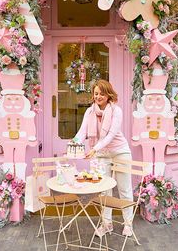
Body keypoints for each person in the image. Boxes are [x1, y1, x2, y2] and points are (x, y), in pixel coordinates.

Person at [73, 79, 133, 237]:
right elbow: (82, 132)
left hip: (120, 151)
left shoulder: (116, 111)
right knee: (104, 190)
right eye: (96, 93)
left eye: (102, 93)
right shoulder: (89, 112)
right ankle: (107, 224)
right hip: (100, 154)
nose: (98, 96)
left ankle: (128, 224)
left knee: (124, 189)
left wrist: (94, 148)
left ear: (108, 94)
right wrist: (74, 143)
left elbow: (112, 134)